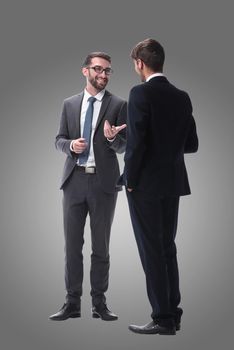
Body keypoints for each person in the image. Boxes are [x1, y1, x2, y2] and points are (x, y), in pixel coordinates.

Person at [120, 38, 198, 335]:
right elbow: (191, 144)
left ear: (140, 63)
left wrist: (129, 178)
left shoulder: (139, 93)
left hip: (144, 185)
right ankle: (173, 314)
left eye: (134, 64)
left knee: (151, 250)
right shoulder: (182, 96)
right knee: (167, 248)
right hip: (173, 182)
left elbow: (138, 144)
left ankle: (162, 319)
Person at [50, 52, 127, 321]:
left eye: (107, 71)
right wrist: (70, 146)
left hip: (103, 183)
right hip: (74, 180)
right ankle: (72, 303)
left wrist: (112, 138)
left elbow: (125, 145)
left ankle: (99, 303)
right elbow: (58, 139)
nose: (103, 75)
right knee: (72, 246)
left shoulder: (119, 104)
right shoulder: (69, 104)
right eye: (98, 69)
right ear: (85, 71)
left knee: (101, 247)